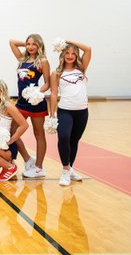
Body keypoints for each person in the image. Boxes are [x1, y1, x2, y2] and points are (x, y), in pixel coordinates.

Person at [49, 40, 92, 186]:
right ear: (62, 54)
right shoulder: (57, 73)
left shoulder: (81, 69)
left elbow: (88, 49)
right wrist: (52, 114)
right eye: (67, 52)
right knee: (64, 137)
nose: (70, 55)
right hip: (65, 110)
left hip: (82, 111)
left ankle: (70, 168)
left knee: (74, 140)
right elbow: (54, 94)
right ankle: (65, 170)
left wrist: (68, 41)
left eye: (73, 53)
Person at [9, 33, 51, 178]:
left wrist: (37, 91)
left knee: (39, 134)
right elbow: (12, 42)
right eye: (29, 44)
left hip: (36, 102)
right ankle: (28, 159)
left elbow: (47, 83)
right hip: (21, 102)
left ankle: (39, 167)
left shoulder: (43, 61)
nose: (31, 47)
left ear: (39, 45)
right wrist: (27, 43)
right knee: (13, 132)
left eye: (34, 44)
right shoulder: (22, 59)